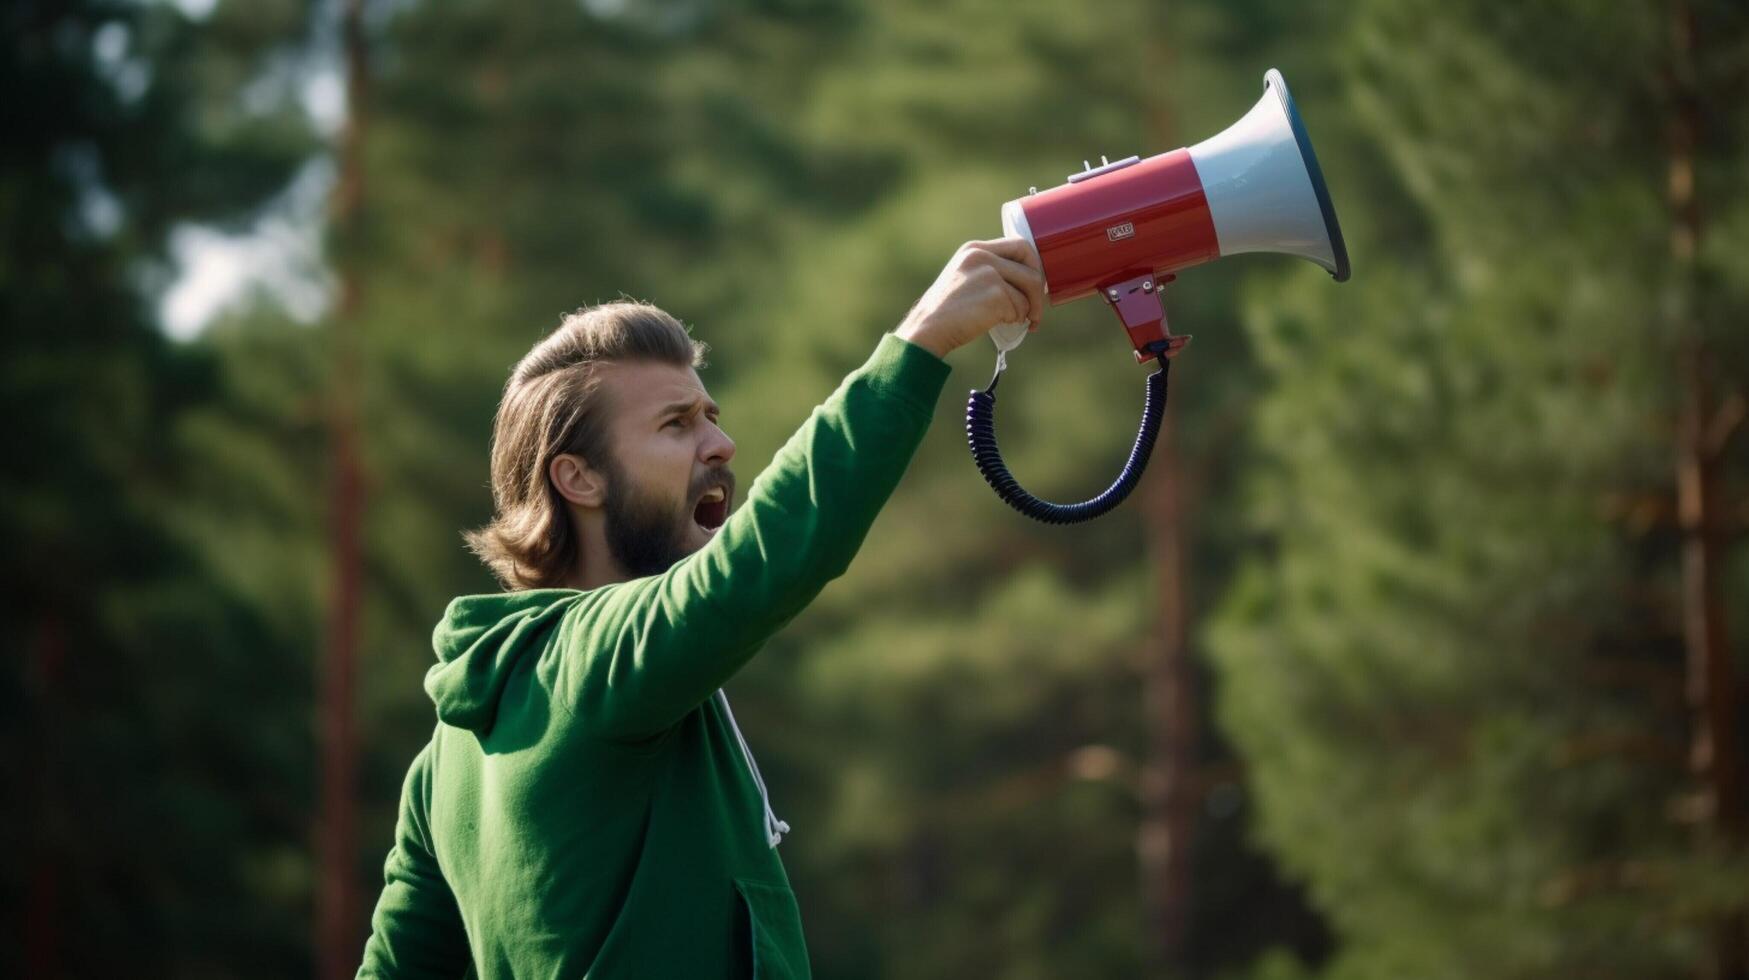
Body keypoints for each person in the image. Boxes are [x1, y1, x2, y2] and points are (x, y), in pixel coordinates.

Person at [356, 238, 1045, 979]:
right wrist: (921, 341)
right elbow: (764, 557)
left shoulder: (439, 769)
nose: (721, 443)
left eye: (709, 416)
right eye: (676, 424)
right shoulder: (590, 662)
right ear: (578, 479)